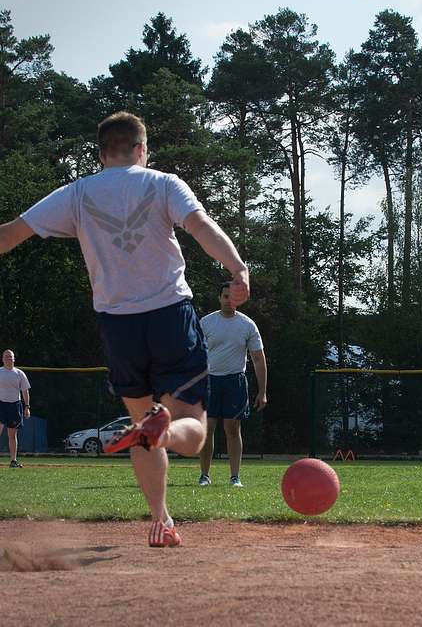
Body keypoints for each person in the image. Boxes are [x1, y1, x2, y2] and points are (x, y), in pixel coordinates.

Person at [0, 112, 249, 547]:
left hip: (117, 327)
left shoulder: (76, 193)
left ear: (101, 152)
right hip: (170, 315)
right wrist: (237, 268)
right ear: (141, 149)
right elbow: (201, 227)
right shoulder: (162, 183)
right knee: (192, 430)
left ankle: (162, 520)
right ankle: (165, 430)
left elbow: (10, 235)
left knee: (141, 429)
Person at [198, 282, 267, 487]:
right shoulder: (206, 322)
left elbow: (258, 359)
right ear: (219, 298)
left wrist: (262, 391)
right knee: (207, 428)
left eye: (232, 297)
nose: (229, 300)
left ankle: (235, 477)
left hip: (235, 381)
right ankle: (204, 475)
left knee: (232, 428)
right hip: (209, 380)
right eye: (225, 296)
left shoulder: (247, 325)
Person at [0, 349, 31, 468]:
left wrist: (27, 407)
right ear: (2, 359)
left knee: (12, 435)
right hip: (1, 404)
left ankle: (13, 461)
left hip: (14, 405)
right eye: (6, 356)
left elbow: (25, 391)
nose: (8, 358)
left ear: (14, 359)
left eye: (10, 357)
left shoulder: (19, 373)